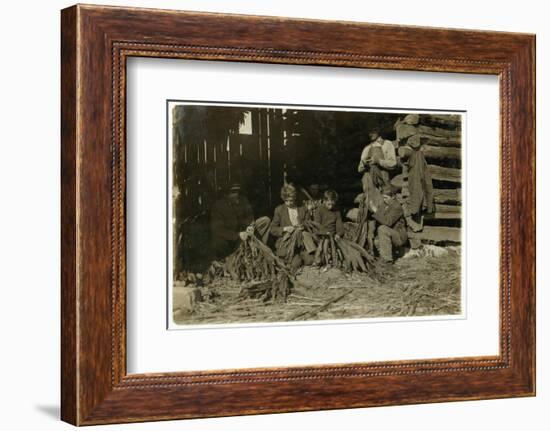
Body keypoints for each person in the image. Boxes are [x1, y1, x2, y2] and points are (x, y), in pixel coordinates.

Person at [210, 183, 270, 259]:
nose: (237, 194)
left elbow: (250, 216)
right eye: (233, 192)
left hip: (246, 233)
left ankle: (259, 250)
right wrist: (238, 235)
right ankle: (230, 257)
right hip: (231, 238)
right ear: (226, 194)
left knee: (265, 220)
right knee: (218, 242)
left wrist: (250, 226)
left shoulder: (243, 200)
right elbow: (218, 230)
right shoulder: (218, 206)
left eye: (238, 191)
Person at [270, 183, 316, 273]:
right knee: (294, 264)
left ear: (295, 198)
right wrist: (284, 229)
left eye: (291, 200)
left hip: (301, 242)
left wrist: (303, 226)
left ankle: (301, 254)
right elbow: (272, 229)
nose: (289, 203)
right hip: (288, 243)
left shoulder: (302, 208)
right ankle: (295, 257)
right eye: (286, 201)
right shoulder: (279, 210)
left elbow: (309, 222)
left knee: (310, 261)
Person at [368, 188, 408, 263]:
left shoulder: (397, 207)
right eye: (383, 197)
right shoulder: (385, 204)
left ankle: (387, 259)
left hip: (399, 236)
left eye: (386, 197)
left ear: (393, 197)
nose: (384, 200)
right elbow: (379, 216)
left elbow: (387, 222)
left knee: (382, 229)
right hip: (390, 233)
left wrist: (375, 211)